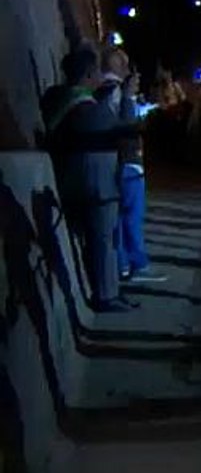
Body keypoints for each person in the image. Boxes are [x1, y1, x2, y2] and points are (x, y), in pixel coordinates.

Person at [41, 45, 141, 312]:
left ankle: (106, 291)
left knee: (95, 242)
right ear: (87, 74)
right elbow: (124, 132)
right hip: (97, 185)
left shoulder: (56, 98)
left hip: (73, 180)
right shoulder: (88, 108)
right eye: (96, 70)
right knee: (103, 242)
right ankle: (106, 295)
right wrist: (129, 99)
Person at [98, 48, 165, 284]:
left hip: (117, 163)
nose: (129, 70)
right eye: (125, 64)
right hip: (127, 163)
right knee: (131, 217)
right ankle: (136, 264)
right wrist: (130, 101)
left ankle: (125, 264)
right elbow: (125, 125)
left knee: (122, 219)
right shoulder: (117, 92)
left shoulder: (103, 91)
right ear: (117, 66)